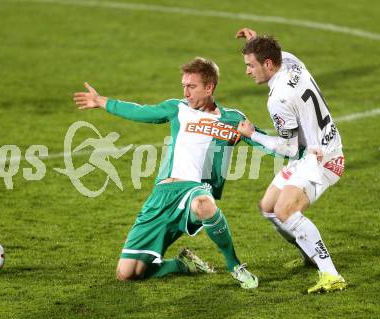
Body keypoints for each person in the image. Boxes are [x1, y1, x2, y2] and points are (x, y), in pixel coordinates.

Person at [73, 57, 273, 289]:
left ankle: (235, 266)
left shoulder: (232, 119)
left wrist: (304, 153)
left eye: (192, 86)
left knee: (204, 205)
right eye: (184, 86)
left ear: (209, 87)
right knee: (128, 273)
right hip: (162, 195)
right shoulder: (176, 108)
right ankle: (183, 265)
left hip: (194, 190)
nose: (186, 92)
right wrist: (103, 101)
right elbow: (140, 112)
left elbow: (264, 143)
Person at [235, 28, 347, 293]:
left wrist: (253, 135)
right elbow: (274, 54)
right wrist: (255, 43)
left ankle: (331, 275)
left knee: (285, 210)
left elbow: (287, 147)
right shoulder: (291, 61)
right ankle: (310, 252)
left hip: (322, 159)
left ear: (268, 64)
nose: (247, 71)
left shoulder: (278, 99)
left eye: (251, 65)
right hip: (314, 150)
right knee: (268, 207)